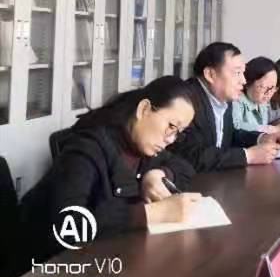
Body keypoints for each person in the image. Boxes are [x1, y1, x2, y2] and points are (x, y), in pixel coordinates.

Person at [19, 76, 201, 264]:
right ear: (144, 109)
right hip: (42, 267)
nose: (171, 139)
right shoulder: (87, 148)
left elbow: (184, 167)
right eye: (171, 126)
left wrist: (157, 174)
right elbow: (68, 225)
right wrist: (153, 213)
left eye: (178, 132)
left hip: (104, 258)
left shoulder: (142, 144)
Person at [168, 43, 280, 172]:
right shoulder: (185, 100)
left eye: (243, 73)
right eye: (237, 73)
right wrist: (248, 156)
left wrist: (261, 138)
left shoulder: (224, 98)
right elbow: (190, 155)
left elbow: (232, 136)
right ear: (210, 74)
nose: (243, 80)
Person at [232, 56, 280, 134]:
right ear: (248, 82)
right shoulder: (237, 99)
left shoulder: (262, 102)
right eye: (263, 87)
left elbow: (267, 119)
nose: (268, 93)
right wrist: (269, 129)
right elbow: (236, 126)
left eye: (272, 88)